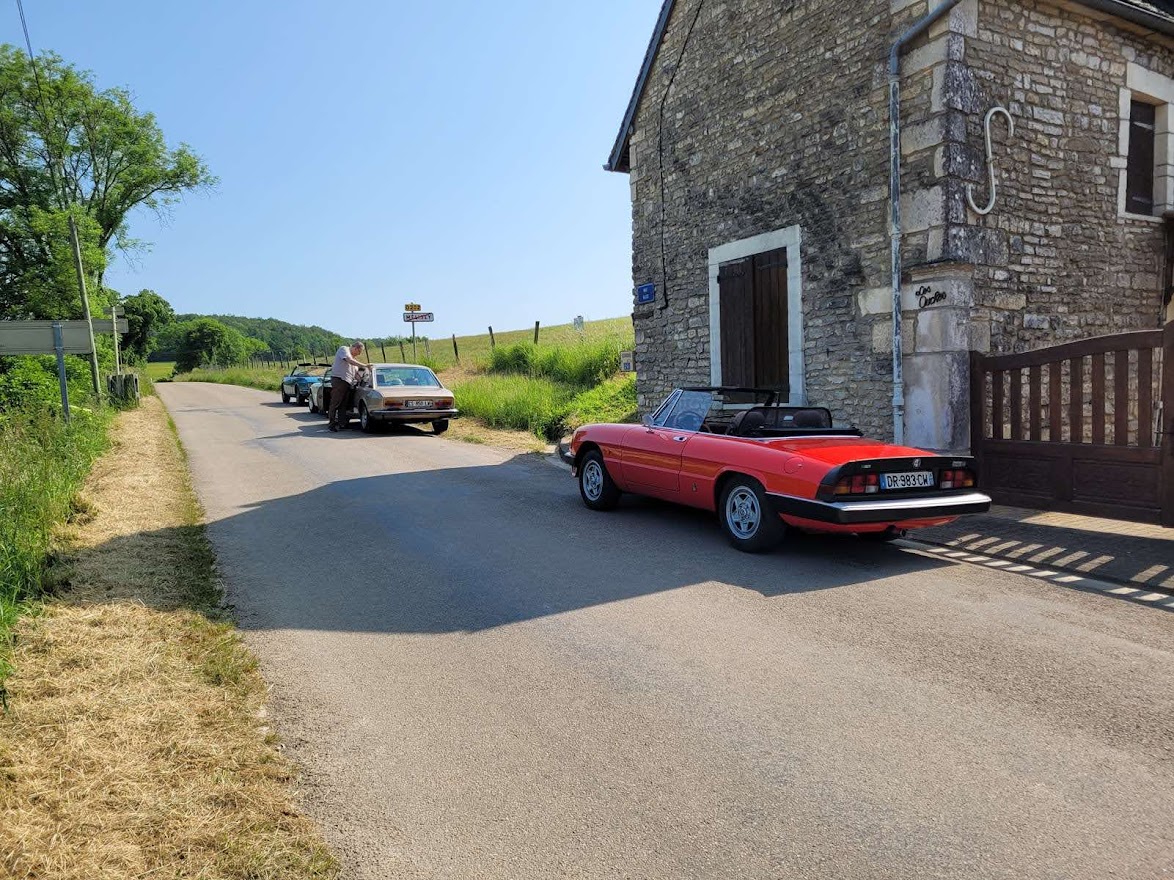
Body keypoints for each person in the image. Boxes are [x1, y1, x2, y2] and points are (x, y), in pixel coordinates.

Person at [328, 341, 367, 431]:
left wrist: (363, 382)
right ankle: (332, 424)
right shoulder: (344, 349)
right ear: (355, 348)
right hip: (339, 380)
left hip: (347, 382)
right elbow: (349, 360)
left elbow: (356, 375)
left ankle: (342, 424)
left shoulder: (354, 359)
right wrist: (364, 365)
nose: (359, 354)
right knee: (335, 402)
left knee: (343, 404)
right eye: (359, 351)